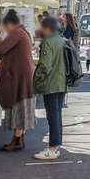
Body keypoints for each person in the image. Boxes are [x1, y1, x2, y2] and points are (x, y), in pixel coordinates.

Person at [0, 9, 35, 152]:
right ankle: (20, 138)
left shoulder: (16, 33)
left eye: (5, 26)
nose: (5, 29)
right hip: (24, 76)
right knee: (21, 107)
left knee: (18, 107)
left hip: (19, 78)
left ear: (10, 24)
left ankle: (17, 140)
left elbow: (1, 50)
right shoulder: (23, 32)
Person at [33, 15, 68, 159]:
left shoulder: (48, 42)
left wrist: (37, 82)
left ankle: (52, 148)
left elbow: (45, 66)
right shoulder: (61, 40)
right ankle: (56, 145)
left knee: (52, 116)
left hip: (51, 84)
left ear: (47, 28)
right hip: (62, 82)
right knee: (57, 115)